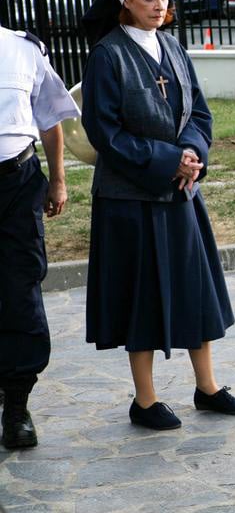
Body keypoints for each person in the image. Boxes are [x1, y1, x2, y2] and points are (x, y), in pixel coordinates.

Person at [81, 0, 235, 431]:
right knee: (141, 296)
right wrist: (166, 160)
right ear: (127, 3)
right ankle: (145, 399)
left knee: (195, 287)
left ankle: (208, 387)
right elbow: (104, 132)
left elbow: (198, 113)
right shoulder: (107, 55)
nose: (159, 6)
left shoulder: (173, 46)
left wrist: (192, 155)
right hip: (129, 200)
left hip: (180, 193)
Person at [0, 26, 79, 449]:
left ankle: (16, 405)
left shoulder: (22, 50)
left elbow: (49, 120)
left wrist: (59, 181)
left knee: (20, 289)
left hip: (17, 183)